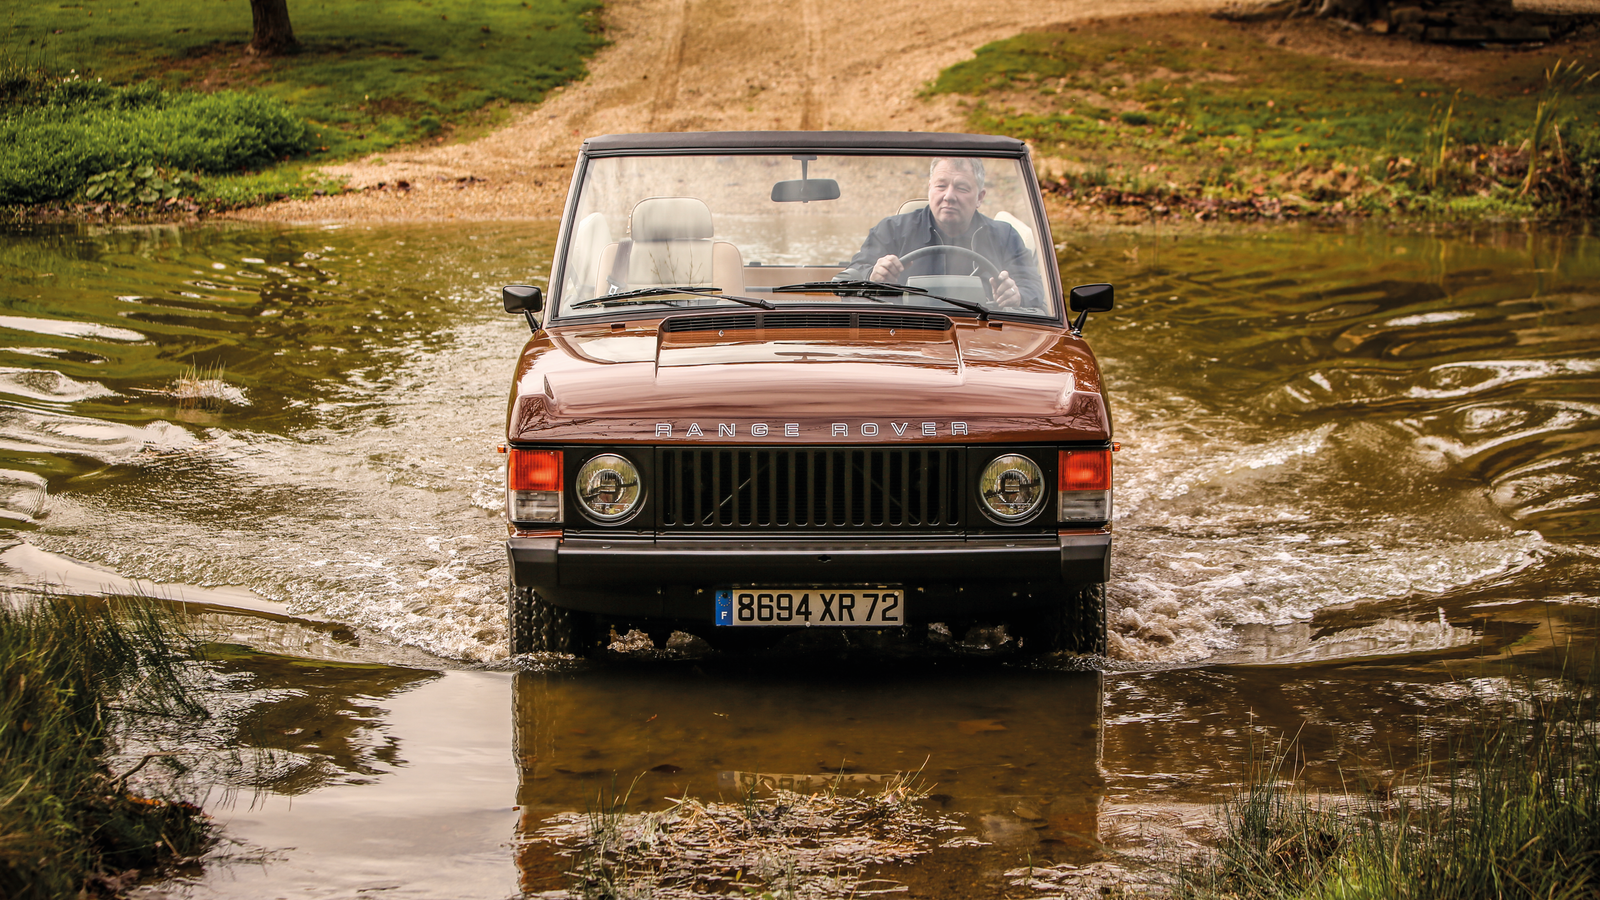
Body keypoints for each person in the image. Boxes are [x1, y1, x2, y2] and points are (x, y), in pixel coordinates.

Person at [837, 158, 1043, 309]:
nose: (949, 196)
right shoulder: (892, 230)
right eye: (941, 186)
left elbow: (1034, 288)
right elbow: (851, 276)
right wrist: (872, 275)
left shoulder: (1005, 236)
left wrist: (1016, 296)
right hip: (906, 333)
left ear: (980, 197)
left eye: (962, 188)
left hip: (981, 338)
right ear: (930, 189)